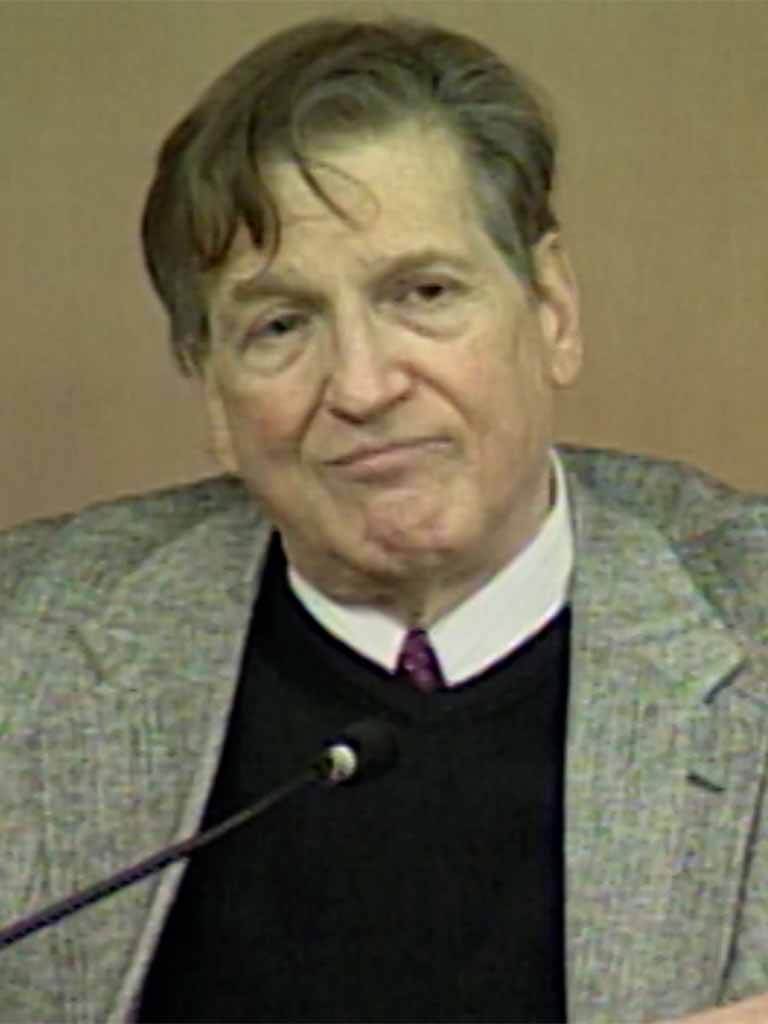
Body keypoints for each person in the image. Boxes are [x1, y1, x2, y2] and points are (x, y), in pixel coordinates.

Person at [0, 16, 766, 1024]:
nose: (362, 386)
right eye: (281, 324)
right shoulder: (27, 646)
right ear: (213, 390)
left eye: (423, 293)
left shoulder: (749, 620)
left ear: (552, 309)